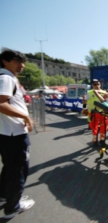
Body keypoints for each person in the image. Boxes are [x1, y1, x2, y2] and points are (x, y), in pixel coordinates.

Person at [0, 48, 35, 219]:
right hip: (14, 134)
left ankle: (4, 197)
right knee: (18, 170)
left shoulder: (6, 77)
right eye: (17, 61)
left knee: (9, 168)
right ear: (5, 62)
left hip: (6, 132)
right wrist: (26, 117)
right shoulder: (6, 77)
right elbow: (1, 103)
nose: (22, 65)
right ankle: (13, 206)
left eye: (23, 62)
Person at [86, 79, 108, 145]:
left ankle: (102, 140)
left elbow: (106, 101)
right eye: (95, 84)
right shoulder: (89, 92)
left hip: (103, 113)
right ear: (92, 85)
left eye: (98, 84)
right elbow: (85, 101)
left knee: (104, 127)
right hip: (93, 113)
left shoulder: (104, 92)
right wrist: (84, 106)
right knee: (94, 127)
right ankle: (95, 141)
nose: (97, 86)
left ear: (100, 85)